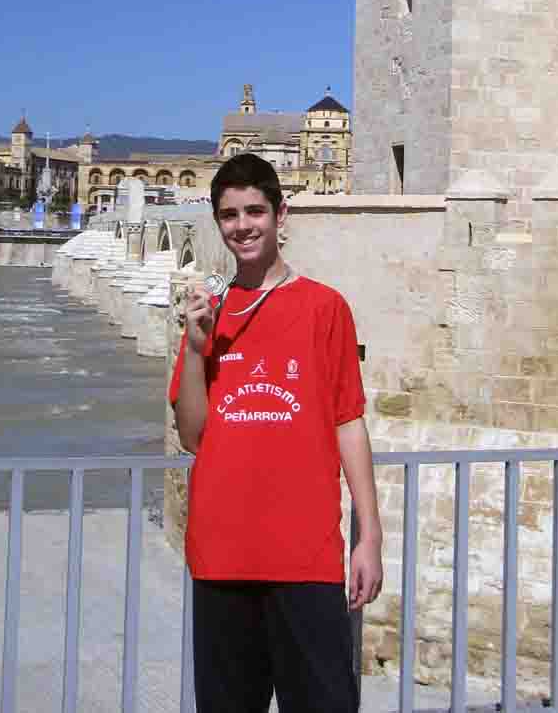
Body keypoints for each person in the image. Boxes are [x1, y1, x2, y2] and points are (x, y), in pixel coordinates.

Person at [169, 153, 382, 713]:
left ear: (279, 213)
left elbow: (348, 422)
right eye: (229, 214)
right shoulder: (208, 314)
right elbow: (193, 435)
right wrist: (194, 350)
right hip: (221, 556)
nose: (243, 225)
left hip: (306, 557)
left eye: (254, 211)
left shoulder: (325, 308)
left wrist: (370, 535)